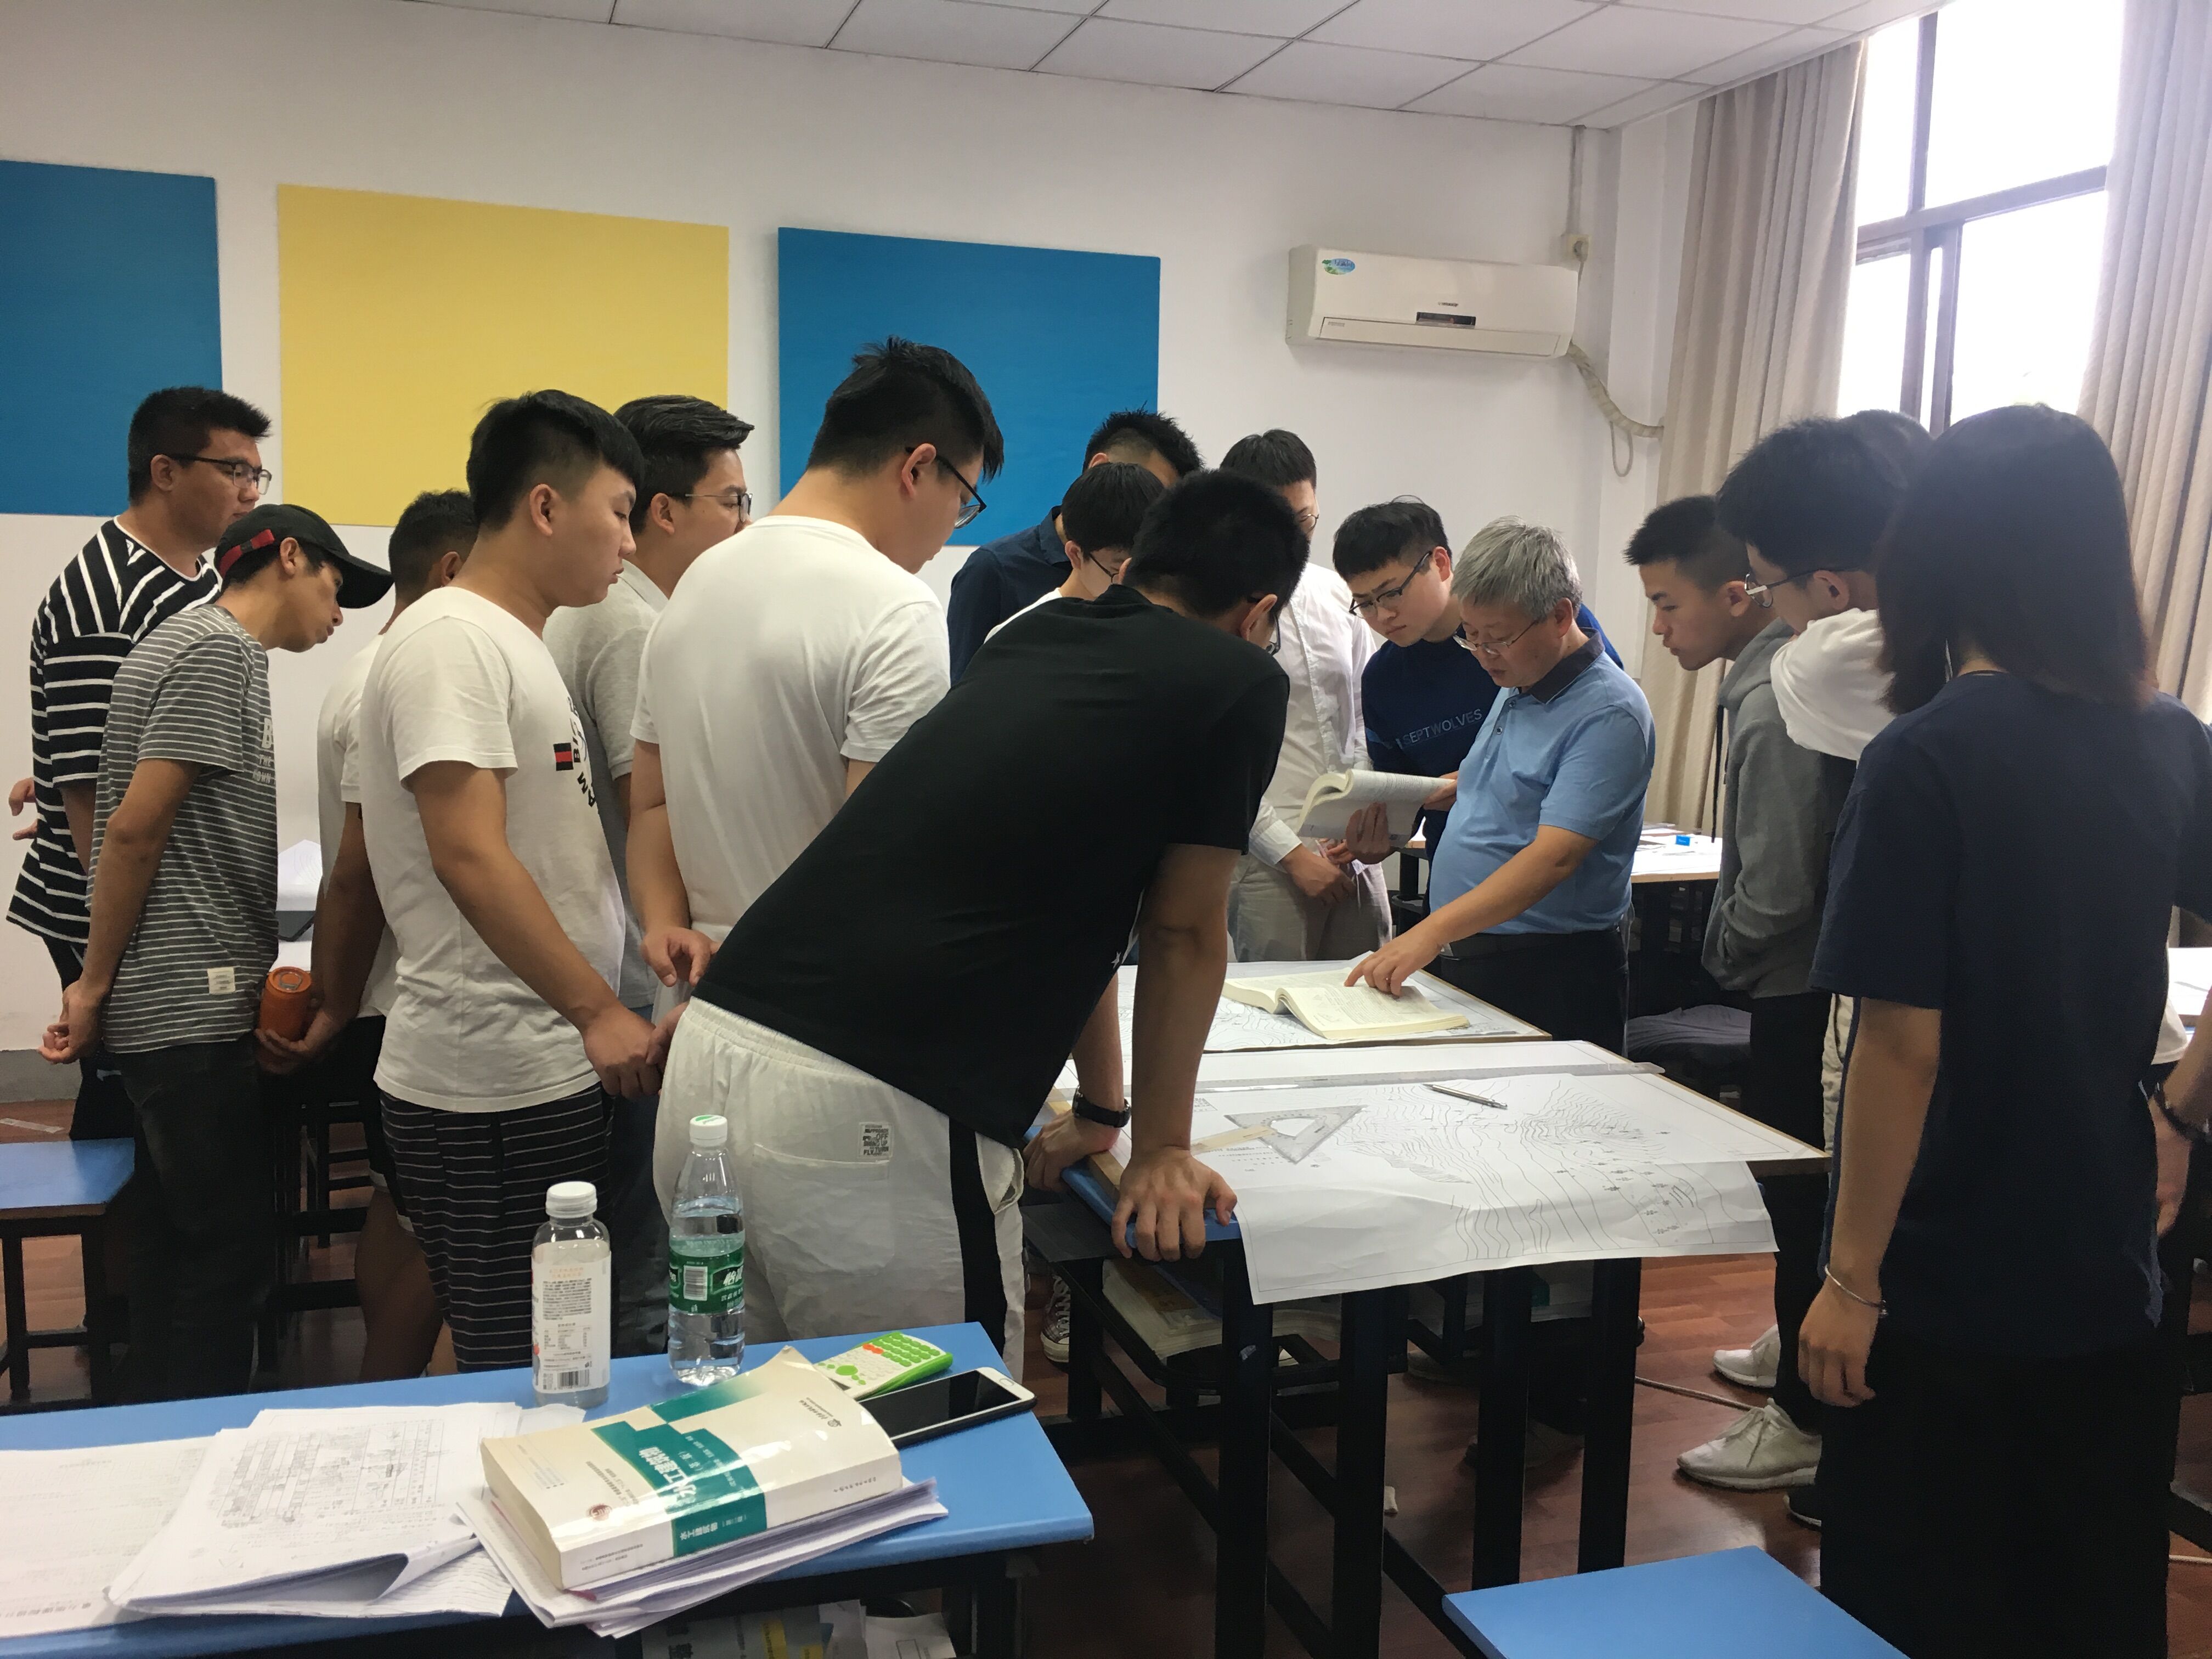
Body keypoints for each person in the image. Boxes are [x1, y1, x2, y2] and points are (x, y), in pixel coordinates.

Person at [652, 470, 1302, 1372]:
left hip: (715, 1058)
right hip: (873, 1107)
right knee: (935, 1426)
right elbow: (1182, 931)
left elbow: (1066, 905)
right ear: (1259, 613)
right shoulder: (1236, 680)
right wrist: (1159, 1149)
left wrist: (1103, 1108)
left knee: (761, 1420)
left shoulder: (1031, 637)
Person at [1801, 405, 2212, 1658]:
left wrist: (1849, 1280)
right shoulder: (2171, 740)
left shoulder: (1924, 758)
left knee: (1921, 1600)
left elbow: (1902, 1047)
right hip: (2109, 1254)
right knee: (2088, 1583)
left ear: (1933, 553)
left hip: (1946, 1267)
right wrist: (2179, 1112)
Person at [39, 503, 387, 1399]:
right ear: (289, 557)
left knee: (178, 1243)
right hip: (183, 1004)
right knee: (226, 1258)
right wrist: (92, 983)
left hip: (178, 999)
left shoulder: (189, 644)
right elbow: (134, 828)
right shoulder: (215, 652)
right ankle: (197, 1439)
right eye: (336, 587)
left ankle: (153, 1425)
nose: (339, 613)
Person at [356, 391, 653, 1373]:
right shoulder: (451, 641)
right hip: (487, 1083)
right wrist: (595, 1008)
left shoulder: (516, 639)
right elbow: (468, 853)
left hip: (540, 1063)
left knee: (563, 1354)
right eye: (619, 512)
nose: (629, 542)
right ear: (544, 506)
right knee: (520, 1366)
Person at [627, 339, 1001, 1003]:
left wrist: (661, 924)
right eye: (964, 499)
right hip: (819, 1007)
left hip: (692, 995)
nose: (953, 526)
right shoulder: (896, 607)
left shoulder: (692, 587)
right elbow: (877, 866)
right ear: (918, 467)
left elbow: (652, 804)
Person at [1626, 494, 1851, 1493]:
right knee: (1796, 1193)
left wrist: (1722, 953)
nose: (1659, 628)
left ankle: (1802, 1415)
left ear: (1738, 594)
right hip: (1809, 975)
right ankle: (1795, 1341)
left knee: (1799, 1194)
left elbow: (1781, 883)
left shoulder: (1773, 698)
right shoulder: (1773, 676)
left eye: (1668, 605)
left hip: (1803, 984)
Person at [544, 393, 754, 1358]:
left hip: (617, 951)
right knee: (646, 1245)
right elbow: (654, 808)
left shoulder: (605, 611)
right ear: (664, 511)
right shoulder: (635, 625)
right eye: (731, 502)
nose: (743, 525)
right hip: (639, 963)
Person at [12, 386, 271, 1144]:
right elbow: (94, 798)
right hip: (114, 910)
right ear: (165, 471)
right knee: (133, 1117)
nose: (251, 493)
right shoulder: (105, 595)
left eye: (257, 475)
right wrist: (105, 965)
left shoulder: (197, 578)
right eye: (234, 472)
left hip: (156, 894)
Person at [269, 489, 476, 1381]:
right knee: (446, 1226)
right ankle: (388, 1398)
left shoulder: (372, 671)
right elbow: (357, 877)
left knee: (400, 1211)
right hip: (401, 1002)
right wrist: (337, 1002)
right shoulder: (395, 684)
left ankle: (382, 1390)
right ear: (453, 571)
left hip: (387, 998)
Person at [1346, 518, 1651, 1052]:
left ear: (1561, 617)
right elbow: (1509, 780)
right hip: (1477, 954)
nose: (1483, 654)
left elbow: (1554, 858)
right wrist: (1432, 793)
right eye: (1472, 638)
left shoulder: (1609, 711)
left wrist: (1429, 932)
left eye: (1498, 640)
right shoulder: (1520, 681)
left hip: (1551, 968)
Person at [1333, 499, 1620, 857]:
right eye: (1365, 604)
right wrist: (1373, 843)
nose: (1382, 615)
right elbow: (1403, 810)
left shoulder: (1538, 620)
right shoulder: (1382, 679)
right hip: (1456, 872)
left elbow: (1603, 739)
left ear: (1439, 563)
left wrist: (1479, 780)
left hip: (1553, 866)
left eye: (1391, 594)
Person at [1217, 430, 1391, 961]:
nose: (1295, 539)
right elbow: (1220, 757)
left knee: (1369, 994)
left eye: (1306, 520)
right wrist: (1291, 855)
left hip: (1353, 850)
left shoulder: (1339, 593)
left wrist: (1357, 821)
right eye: (1280, 522)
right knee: (1277, 1004)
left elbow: (1365, 714)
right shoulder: (1214, 607)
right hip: (1268, 860)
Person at [1718, 413, 1928, 765]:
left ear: (1831, 589)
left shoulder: (1817, 664)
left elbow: (1799, 663)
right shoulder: (1976, 615)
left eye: (1768, 588)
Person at [945, 408, 1201, 678]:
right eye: (1145, 486)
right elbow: (962, 686)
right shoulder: (994, 569)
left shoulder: (1158, 573)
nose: (1152, 509)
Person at [984, 460, 1163, 641]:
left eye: (1147, 571)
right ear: (1076, 555)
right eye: (1118, 571)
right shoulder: (1016, 638)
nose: (1137, 590)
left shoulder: (1163, 631)